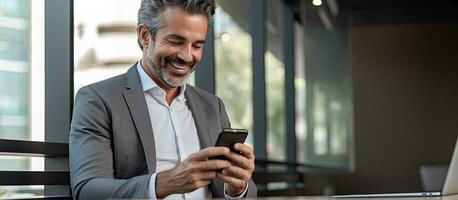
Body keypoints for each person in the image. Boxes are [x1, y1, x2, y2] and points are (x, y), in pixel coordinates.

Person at [69, 0, 257, 199]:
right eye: (176, 42)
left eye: (197, 45)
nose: (187, 56)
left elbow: (247, 192)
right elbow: (87, 190)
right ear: (144, 36)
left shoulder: (212, 105)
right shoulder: (98, 100)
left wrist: (236, 189)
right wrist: (165, 183)